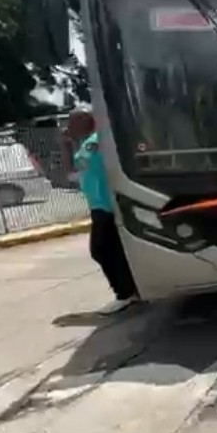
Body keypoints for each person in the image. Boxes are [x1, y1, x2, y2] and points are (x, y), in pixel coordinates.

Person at [62, 110, 140, 314]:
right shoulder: (85, 144)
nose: (68, 127)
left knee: (101, 250)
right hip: (98, 204)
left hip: (106, 204)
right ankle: (130, 290)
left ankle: (125, 293)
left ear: (86, 121)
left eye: (72, 122)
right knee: (113, 250)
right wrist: (67, 145)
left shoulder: (97, 141)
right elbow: (72, 174)